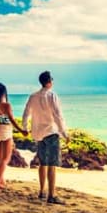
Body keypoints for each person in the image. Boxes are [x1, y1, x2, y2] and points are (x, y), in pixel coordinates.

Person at [22, 71, 69, 204]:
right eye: (52, 80)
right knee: (52, 164)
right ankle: (52, 195)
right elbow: (58, 116)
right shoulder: (52, 95)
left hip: (39, 134)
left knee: (43, 163)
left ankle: (42, 191)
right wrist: (64, 133)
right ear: (49, 81)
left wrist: (25, 128)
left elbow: (26, 114)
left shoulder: (33, 96)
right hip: (51, 132)